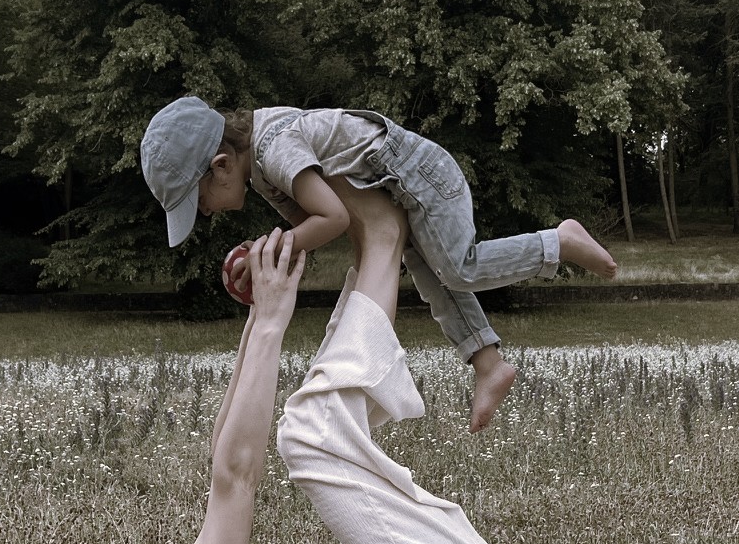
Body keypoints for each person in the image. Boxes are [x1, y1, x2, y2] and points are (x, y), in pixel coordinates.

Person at [0, 186, 535, 544]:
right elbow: (236, 480)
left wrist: (254, 321)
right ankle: (383, 240)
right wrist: (273, 320)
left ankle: (379, 249)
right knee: (308, 433)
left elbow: (218, 466)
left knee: (322, 422)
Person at [140, 96, 617, 432]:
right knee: (435, 277)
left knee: (459, 268)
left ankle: (558, 241)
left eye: (199, 200)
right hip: (395, 186)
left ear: (222, 164)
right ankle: (488, 363)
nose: (205, 213)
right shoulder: (263, 171)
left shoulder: (272, 148)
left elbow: (332, 218)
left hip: (419, 174)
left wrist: (278, 242)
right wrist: (273, 250)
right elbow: (314, 224)